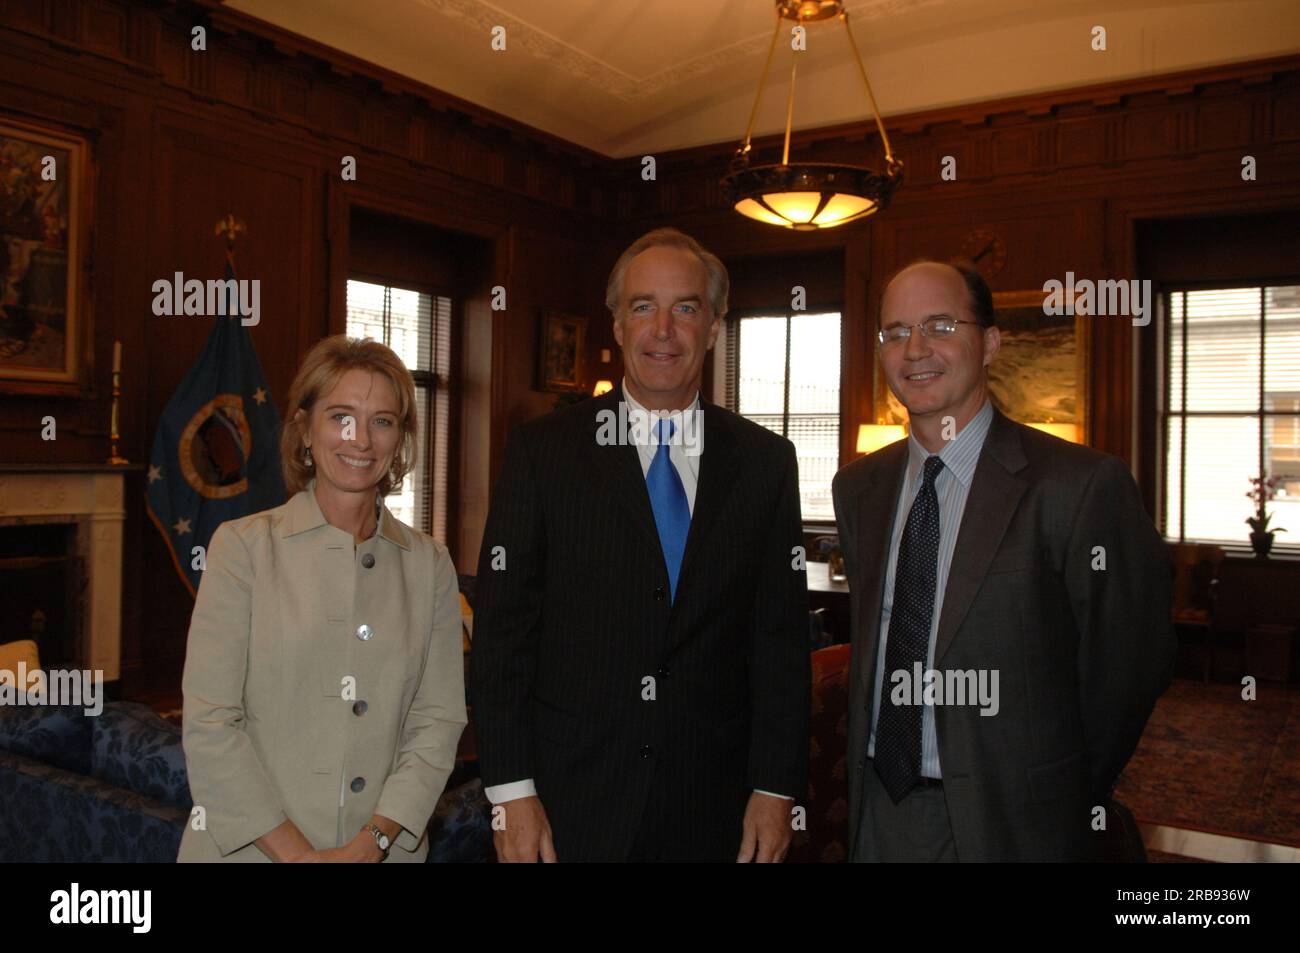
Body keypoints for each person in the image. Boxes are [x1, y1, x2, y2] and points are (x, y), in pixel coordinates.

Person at [471, 228, 810, 862]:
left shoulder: (767, 463)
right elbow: (502, 637)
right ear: (618, 326)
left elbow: (781, 643)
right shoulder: (544, 454)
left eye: (685, 308)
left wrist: (775, 788)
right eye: (642, 307)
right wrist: (511, 793)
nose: (663, 329)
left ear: (712, 327)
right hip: (569, 805)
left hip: (716, 808)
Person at [832, 259, 1174, 862]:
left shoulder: (1079, 486)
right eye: (895, 331)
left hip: (1018, 824)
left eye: (940, 325)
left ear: (989, 343)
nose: (915, 349)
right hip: (876, 812)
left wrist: (1058, 789)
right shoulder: (859, 488)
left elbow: (1128, 668)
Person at [178, 335, 467, 862]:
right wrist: (299, 857)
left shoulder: (432, 566)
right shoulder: (242, 548)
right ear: (304, 430)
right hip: (251, 853)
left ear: (400, 438)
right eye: (340, 416)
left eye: (382, 420)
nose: (360, 438)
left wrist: (372, 843)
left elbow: (438, 722)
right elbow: (211, 724)